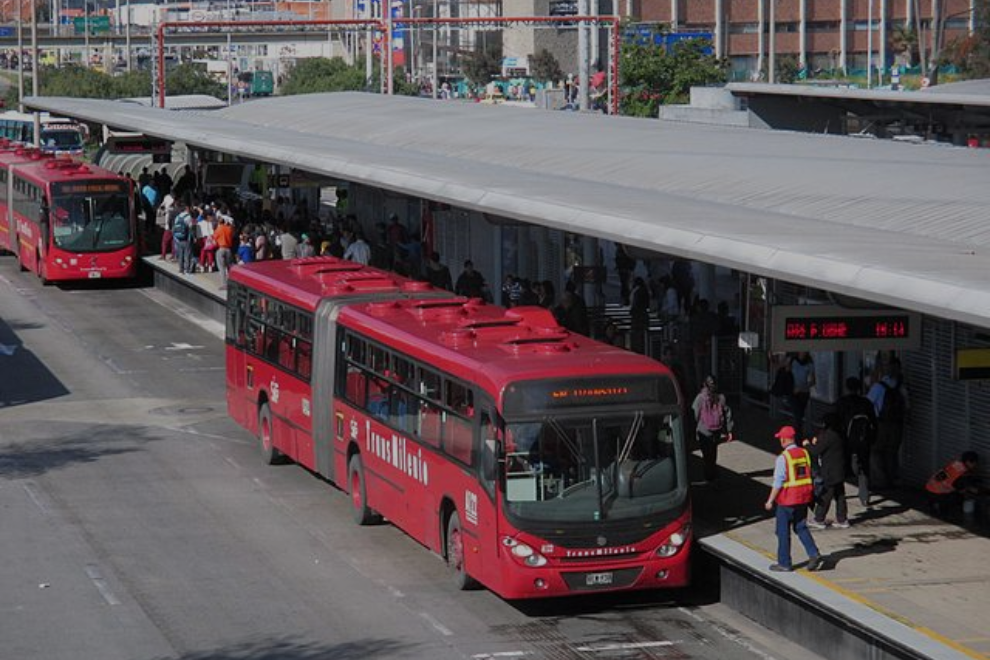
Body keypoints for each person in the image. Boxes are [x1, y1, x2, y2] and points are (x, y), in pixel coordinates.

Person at [765, 425, 826, 572]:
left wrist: (770, 500)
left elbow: (778, 482)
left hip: (787, 500)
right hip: (803, 497)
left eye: (780, 438)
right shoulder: (804, 453)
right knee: (800, 527)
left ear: (784, 439)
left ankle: (784, 563)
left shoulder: (783, 458)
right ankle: (814, 553)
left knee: (782, 532)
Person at [867, 357, 909, 489]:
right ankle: (893, 479)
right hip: (897, 425)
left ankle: (880, 480)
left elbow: (868, 403)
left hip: (881, 424)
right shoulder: (902, 387)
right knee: (892, 452)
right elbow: (907, 406)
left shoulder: (878, 387)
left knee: (875, 451)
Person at [836, 377, 876, 507]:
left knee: (842, 467)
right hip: (864, 441)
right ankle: (864, 496)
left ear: (846, 388)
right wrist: (872, 439)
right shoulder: (866, 403)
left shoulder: (842, 402)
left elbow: (837, 422)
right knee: (864, 467)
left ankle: (840, 495)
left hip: (846, 441)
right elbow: (874, 422)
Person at [805, 413, 849, 529]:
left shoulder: (829, 435)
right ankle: (842, 519)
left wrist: (807, 445)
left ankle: (819, 518)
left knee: (825, 495)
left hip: (830, 471)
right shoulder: (840, 433)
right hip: (840, 469)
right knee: (840, 495)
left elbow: (816, 451)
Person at [691, 375, 733, 484]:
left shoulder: (700, 397)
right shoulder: (721, 397)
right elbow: (727, 413)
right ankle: (713, 474)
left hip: (703, 431)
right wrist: (729, 430)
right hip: (717, 430)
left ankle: (708, 476)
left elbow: (694, 414)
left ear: (704, 384)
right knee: (713, 452)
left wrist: (692, 429)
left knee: (706, 455)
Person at [925, 451, 983, 516]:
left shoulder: (955, 463)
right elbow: (962, 489)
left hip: (928, 488)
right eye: (975, 463)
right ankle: (943, 511)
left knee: (957, 490)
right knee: (959, 496)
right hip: (937, 494)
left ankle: (933, 507)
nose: (975, 465)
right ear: (968, 462)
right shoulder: (963, 473)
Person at [789, 352, 816, 436]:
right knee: (797, 414)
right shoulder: (792, 360)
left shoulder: (809, 363)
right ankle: (797, 435)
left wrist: (801, 388)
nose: (802, 353)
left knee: (799, 415)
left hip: (803, 392)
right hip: (792, 391)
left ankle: (797, 433)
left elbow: (813, 381)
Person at [629, 276, 650, 354]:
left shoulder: (636, 291)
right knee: (643, 336)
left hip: (637, 317)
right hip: (643, 316)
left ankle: (637, 350)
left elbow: (635, 304)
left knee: (637, 336)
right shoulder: (645, 290)